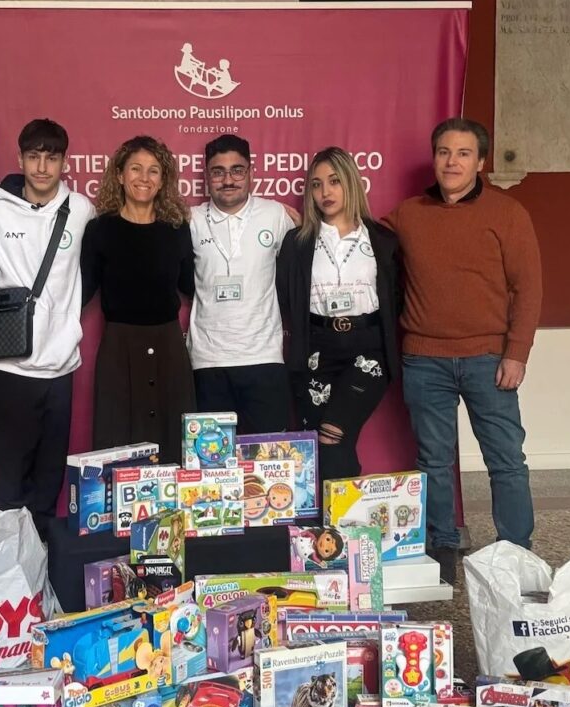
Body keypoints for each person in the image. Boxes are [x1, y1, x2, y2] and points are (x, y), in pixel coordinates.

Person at [385, 117, 542, 585]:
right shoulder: (408, 214)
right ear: (434, 158)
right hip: (423, 359)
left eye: (463, 153)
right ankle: (442, 545)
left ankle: (516, 551)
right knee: (433, 460)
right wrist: (306, 220)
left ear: (481, 162)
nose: (451, 162)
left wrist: (517, 353)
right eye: (444, 152)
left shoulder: (508, 213)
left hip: (488, 360)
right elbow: (355, 237)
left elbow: (529, 288)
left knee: (506, 461)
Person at [0, 119, 95, 537]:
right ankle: (8, 567)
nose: (42, 167)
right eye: (33, 157)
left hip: (59, 367)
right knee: (9, 485)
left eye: (51, 158)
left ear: (65, 161)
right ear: (20, 159)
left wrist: (60, 319)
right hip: (7, 367)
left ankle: (44, 565)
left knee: (48, 483)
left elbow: (89, 274)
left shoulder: (81, 210)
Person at [276, 147, 402, 484]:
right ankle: (340, 513)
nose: (325, 192)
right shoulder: (297, 242)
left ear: (351, 182)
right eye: (316, 184)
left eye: (334, 181)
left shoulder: (383, 239)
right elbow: (286, 297)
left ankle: (339, 513)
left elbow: (397, 297)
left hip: (368, 347)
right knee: (320, 443)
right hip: (316, 348)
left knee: (333, 432)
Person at [81, 135, 195, 463]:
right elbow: (81, 291)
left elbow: (191, 285)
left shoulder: (177, 230)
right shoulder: (100, 230)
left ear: (163, 180)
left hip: (169, 347)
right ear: (119, 175)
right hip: (119, 348)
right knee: (117, 436)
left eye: (153, 170)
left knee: (173, 440)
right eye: (135, 168)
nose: (144, 178)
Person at [188, 134, 295, 434]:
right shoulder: (190, 220)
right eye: (218, 172)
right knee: (211, 458)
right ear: (207, 176)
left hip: (264, 358)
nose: (228, 180)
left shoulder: (275, 215)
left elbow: (300, 267)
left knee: (271, 455)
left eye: (237, 170)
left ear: (250, 172)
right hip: (208, 361)